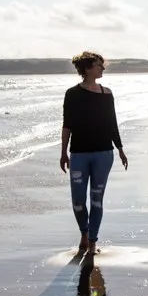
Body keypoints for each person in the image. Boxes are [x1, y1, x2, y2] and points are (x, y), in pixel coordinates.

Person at [60, 51, 128, 255]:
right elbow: (67, 125)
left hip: (104, 153)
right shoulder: (72, 94)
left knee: (96, 199)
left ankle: (92, 241)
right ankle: (84, 232)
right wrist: (63, 152)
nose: (102, 68)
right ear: (87, 68)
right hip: (79, 154)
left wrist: (120, 149)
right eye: (99, 65)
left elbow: (112, 123)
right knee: (78, 201)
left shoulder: (106, 94)